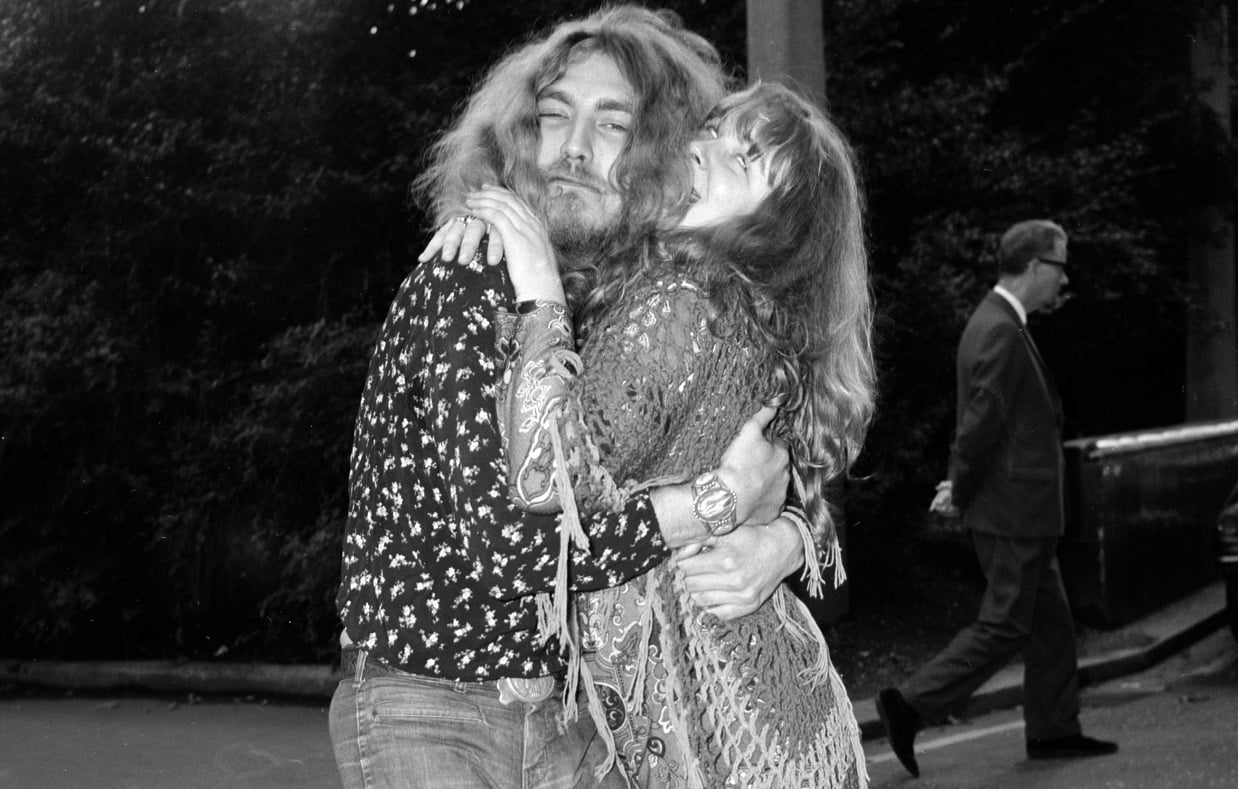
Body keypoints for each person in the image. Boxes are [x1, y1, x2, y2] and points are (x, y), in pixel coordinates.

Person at [329, 7, 805, 788]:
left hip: (577, 719)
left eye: (612, 125)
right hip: (430, 705)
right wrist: (718, 502)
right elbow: (516, 547)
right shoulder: (473, 273)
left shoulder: (627, 309)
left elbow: (780, 455)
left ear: (667, 157)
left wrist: (785, 532)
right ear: (517, 134)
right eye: (553, 117)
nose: (574, 149)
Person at [452, 81, 874, 788]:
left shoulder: (682, 303)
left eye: (743, 160)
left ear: (774, 227)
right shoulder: (736, 310)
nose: (705, 149)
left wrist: (540, 297)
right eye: (711, 129)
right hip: (763, 704)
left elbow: (550, 475)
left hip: (719, 719)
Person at [875, 219, 1118, 777]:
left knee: (1051, 624)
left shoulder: (1000, 321)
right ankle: (909, 704)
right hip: (1012, 513)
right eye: (1061, 267)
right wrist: (958, 489)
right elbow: (980, 422)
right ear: (1035, 266)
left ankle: (1055, 731)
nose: (1065, 279)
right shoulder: (1002, 329)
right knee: (1006, 623)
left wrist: (959, 484)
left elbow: (991, 423)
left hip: (1019, 509)